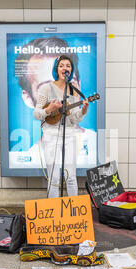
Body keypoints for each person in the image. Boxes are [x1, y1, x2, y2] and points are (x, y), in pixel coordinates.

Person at [33, 55, 89, 198]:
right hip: (50, 135)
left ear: (72, 70)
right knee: (54, 177)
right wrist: (50, 108)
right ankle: (54, 213)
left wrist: (82, 111)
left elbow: (74, 118)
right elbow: (37, 113)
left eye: (68, 66)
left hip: (70, 134)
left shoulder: (74, 88)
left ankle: (73, 213)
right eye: (62, 65)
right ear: (56, 69)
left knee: (71, 176)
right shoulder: (46, 88)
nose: (65, 68)